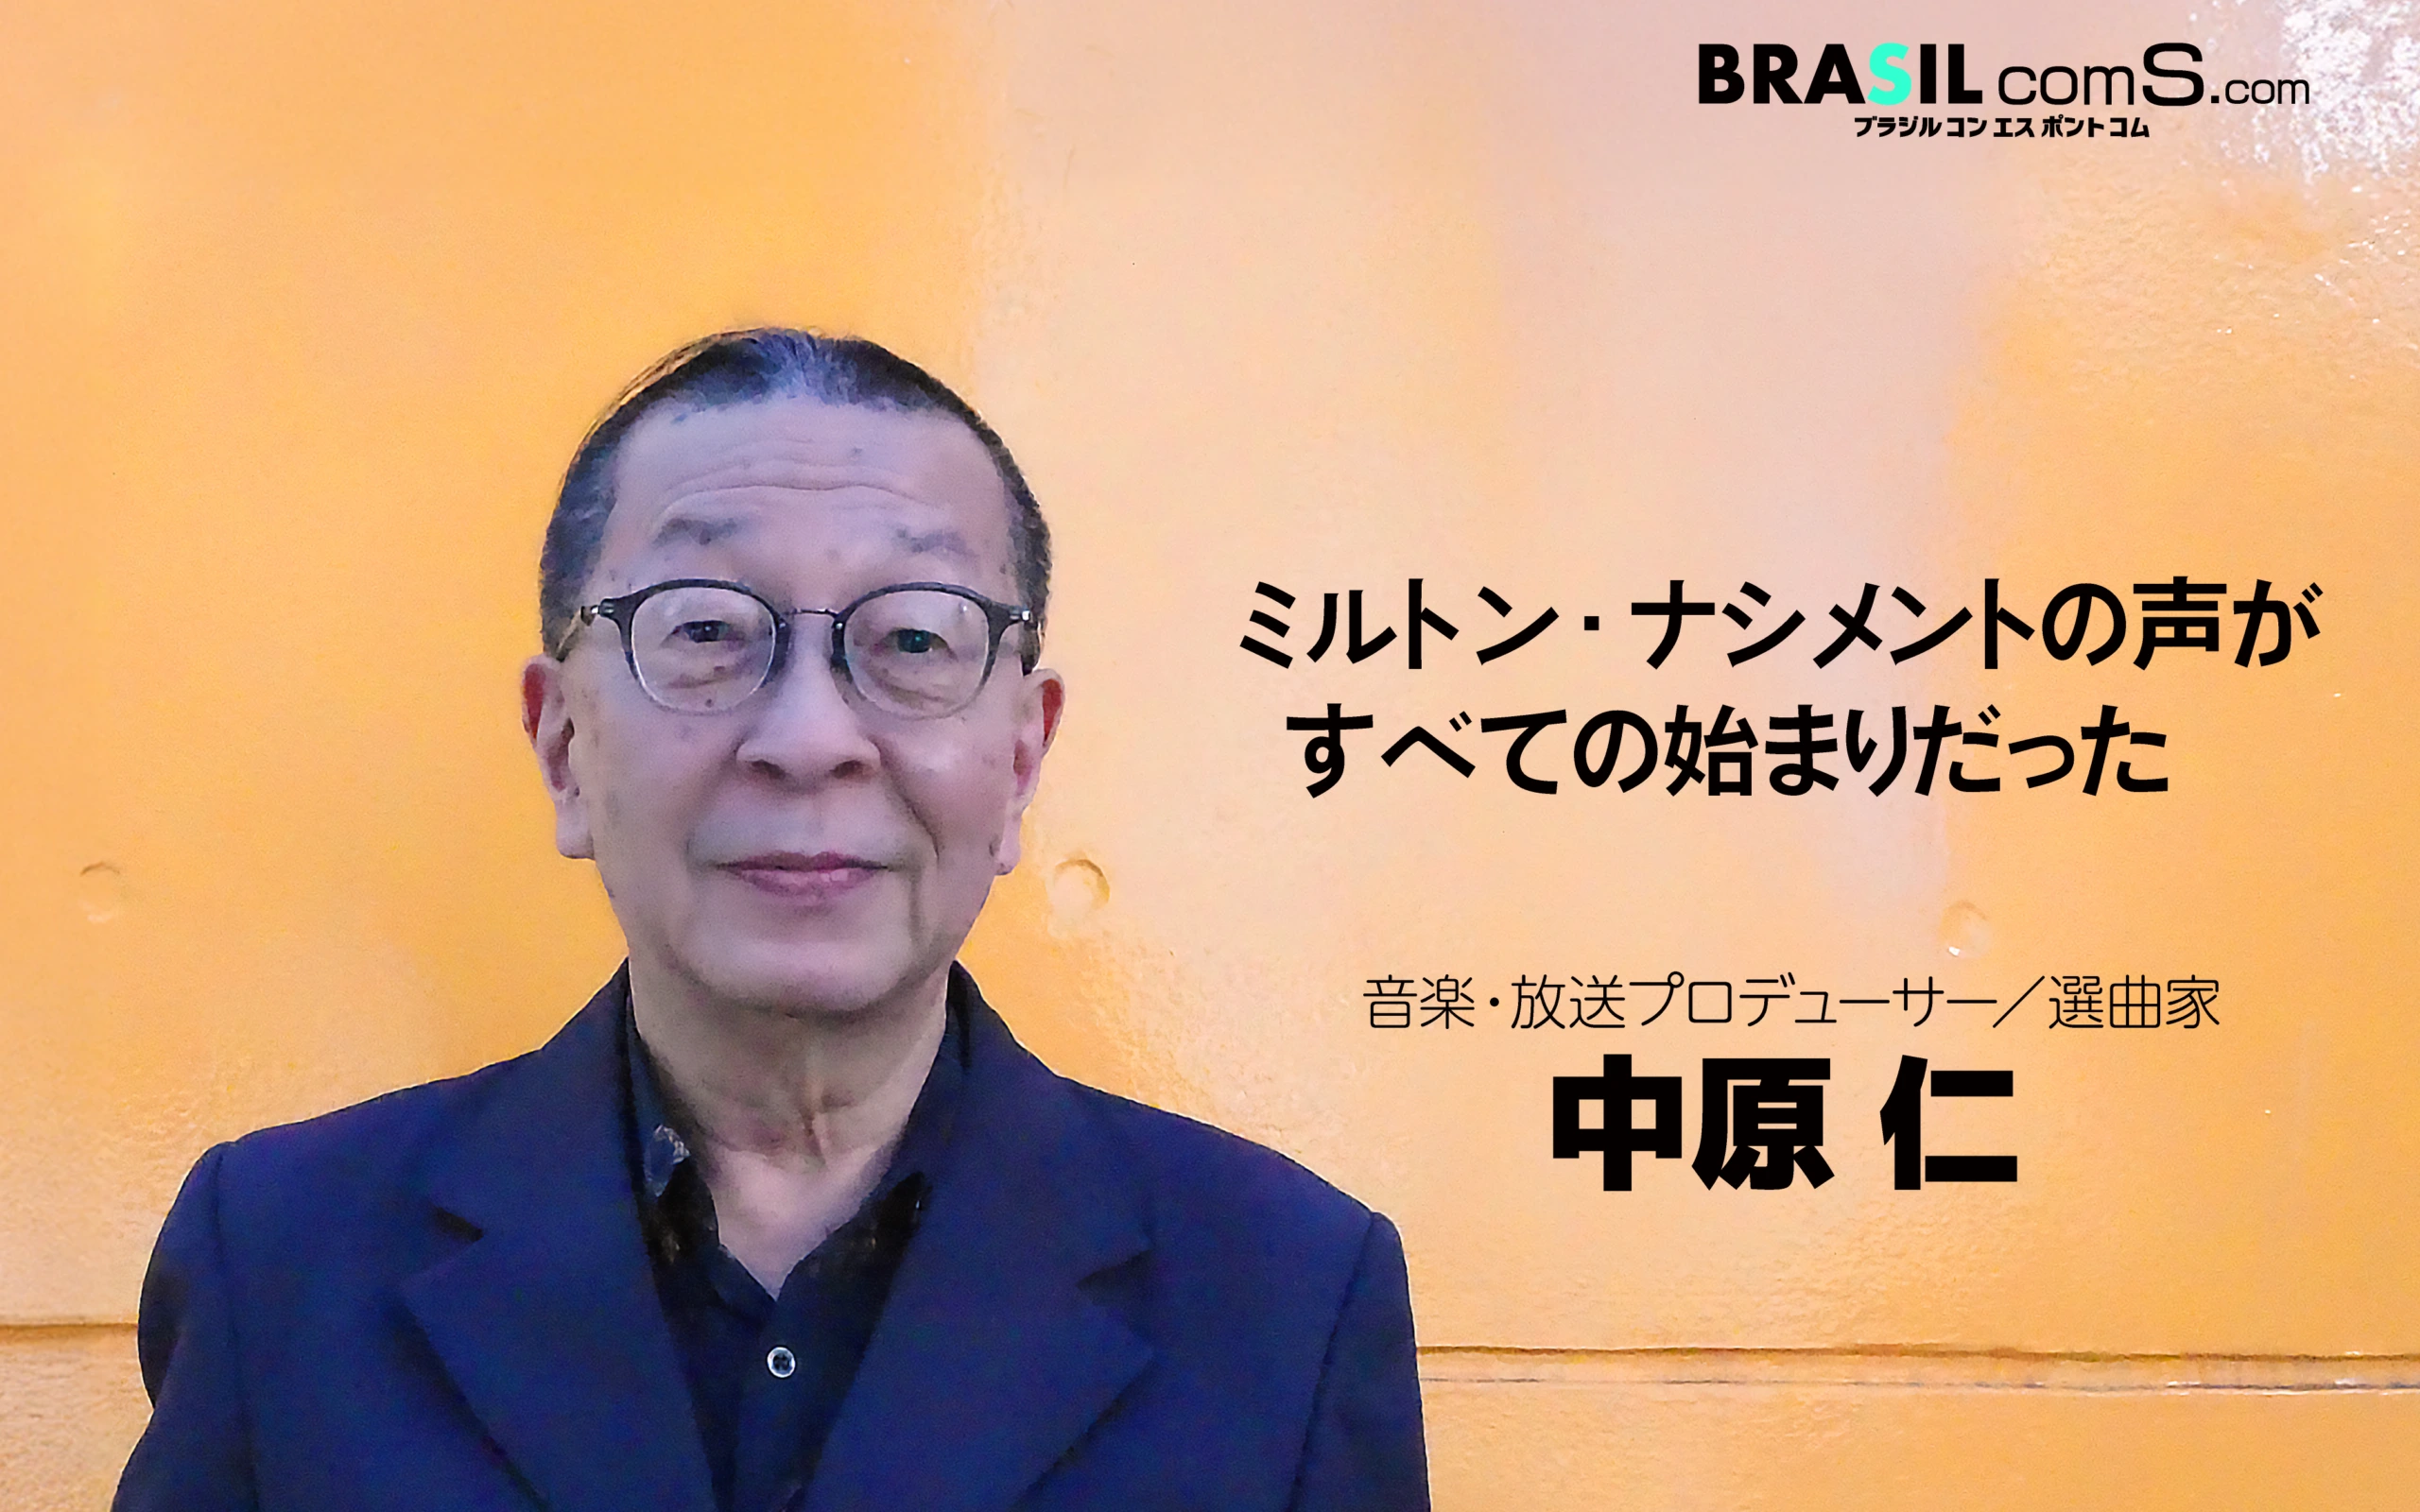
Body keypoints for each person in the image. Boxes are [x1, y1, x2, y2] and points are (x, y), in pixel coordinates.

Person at [113, 329, 1429, 1511]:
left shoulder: (1288, 1297)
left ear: (1024, 758)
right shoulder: (281, 1256)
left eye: (913, 641)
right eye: (706, 631)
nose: (809, 739)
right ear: (562, 745)